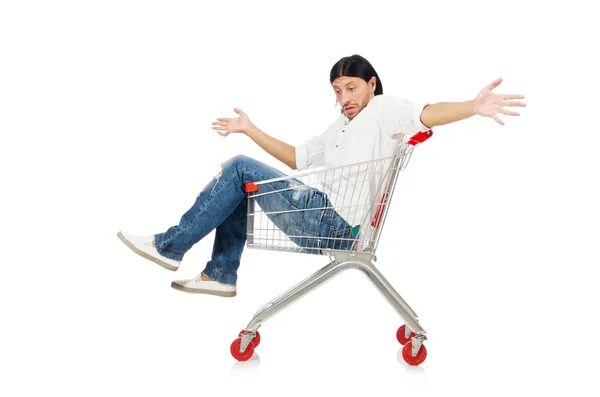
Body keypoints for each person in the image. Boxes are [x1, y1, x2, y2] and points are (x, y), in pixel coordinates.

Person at [117, 54, 526, 297]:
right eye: (337, 91)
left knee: (240, 169)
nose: (343, 99)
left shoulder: (385, 110)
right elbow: (297, 158)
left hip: (333, 220)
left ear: (371, 84)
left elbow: (426, 112)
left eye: (350, 88)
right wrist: (250, 128)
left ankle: (169, 247)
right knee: (243, 177)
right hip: (320, 217)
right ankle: (220, 273)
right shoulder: (340, 127)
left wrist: (473, 106)